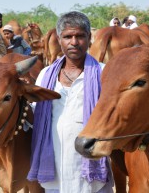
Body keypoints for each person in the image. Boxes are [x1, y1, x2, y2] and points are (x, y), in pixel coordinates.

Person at [27, 11, 114, 193]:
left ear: (89, 38)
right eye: (68, 37)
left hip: (91, 172)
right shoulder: (45, 75)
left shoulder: (104, 73)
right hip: (55, 170)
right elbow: (35, 115)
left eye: (80, 36)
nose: (74, 42)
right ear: (59, 39)